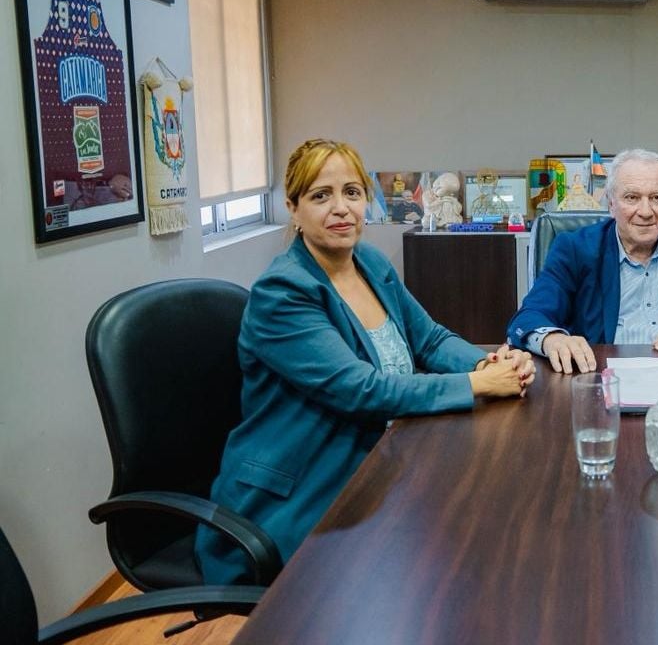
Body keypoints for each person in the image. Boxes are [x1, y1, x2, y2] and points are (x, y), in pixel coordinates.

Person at [196, 138, 535, 583]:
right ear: (293, 209)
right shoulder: (283, 293)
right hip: (305, 494)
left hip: (381, 465)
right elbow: (361, 389)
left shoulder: (369, 263)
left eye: (352, 193)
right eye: (321, 196)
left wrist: (487, 364)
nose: (341, 208)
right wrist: (478, 385)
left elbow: (429, 340)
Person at [507, 148, 658, 374]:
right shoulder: (574, 249)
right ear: (611, 205)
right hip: (598, 377)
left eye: (657, 198)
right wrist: (553, 339)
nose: (645, 211)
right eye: (632, 197)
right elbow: (527, 318)